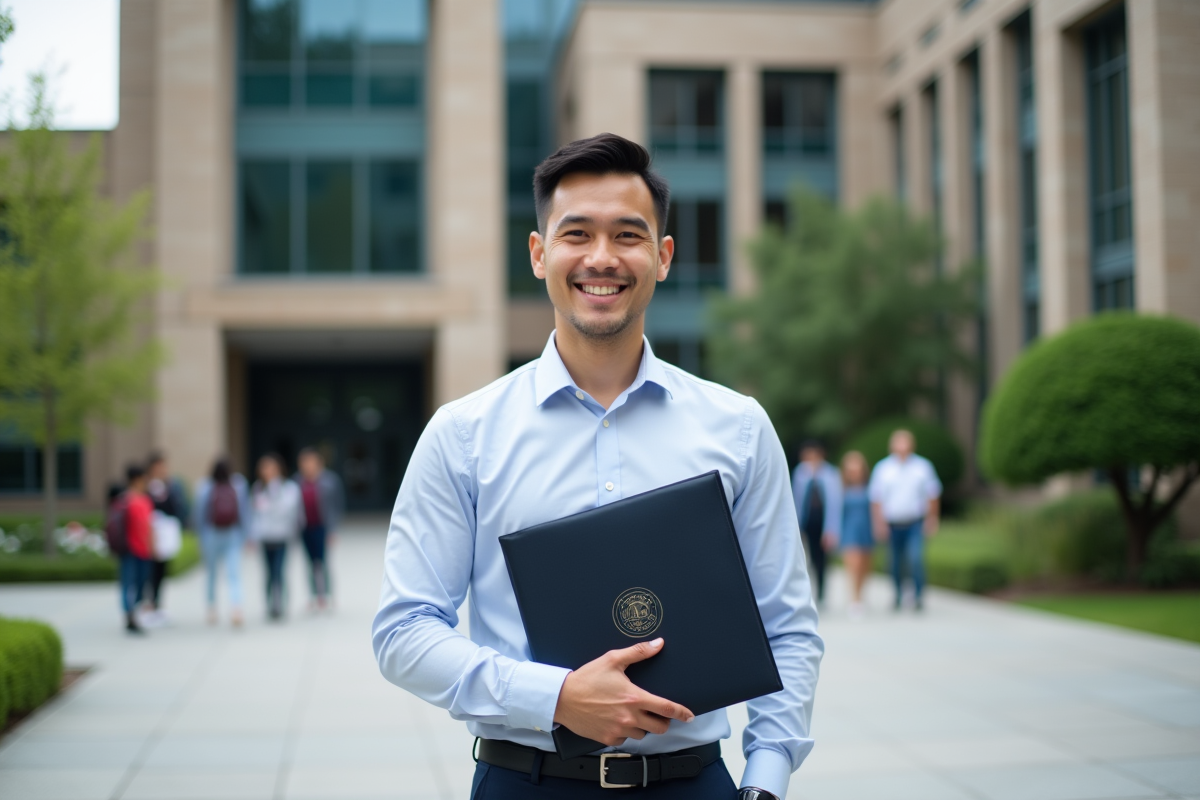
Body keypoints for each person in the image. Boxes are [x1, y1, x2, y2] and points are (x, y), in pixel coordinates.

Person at [372, 133, 822, 800]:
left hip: (694, 783)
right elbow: (404, 632)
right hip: (524, 780)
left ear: (664, 257)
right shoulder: (464, 435)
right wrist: (555, 696)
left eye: (628, 236)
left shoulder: (738, 428)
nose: (602, 258)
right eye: (576, 234)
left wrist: (766, 780)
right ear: (538, 253)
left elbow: (785, 625)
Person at [868, 429, 942, 611]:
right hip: (892, 523)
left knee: (915, 559)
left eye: (905, 443)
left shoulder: (922, 467)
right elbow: (876, 499)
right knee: (893, 562)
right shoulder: (883, 468)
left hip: (914, 522)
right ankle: (898, 595)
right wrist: (878, 523)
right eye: (898, 443)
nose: (902, 447)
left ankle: (917, 595)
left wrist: (932, 518)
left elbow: (933, 494)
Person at [194, 458, 250, 627]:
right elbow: (244, 512)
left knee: (211, 574)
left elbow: (199, 514)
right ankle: (236, 607)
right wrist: (246, 535)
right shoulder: (238, 484)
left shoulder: (204, 487)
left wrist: (200, 537)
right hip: (232, 533)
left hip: (211, 534)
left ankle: (211, 608)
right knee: (233, 574)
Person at [250, 453, 303, 621]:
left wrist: (273, 496)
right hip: (265, 537)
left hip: (282, 537)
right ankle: (269, 604)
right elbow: (255, 513)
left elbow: (288, 511)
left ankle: (280, 604)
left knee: (279, 572)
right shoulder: (258, 488)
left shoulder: (288, 488)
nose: (268, 472)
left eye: (272, 468)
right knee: (268, 573)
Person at [790, 439, 842, 606]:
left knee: (822, 558)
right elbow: (796, 500)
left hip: (823, 521)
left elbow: (835, 502)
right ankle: (807, 591)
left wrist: (832, 529)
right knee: (807, 557)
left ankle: (821, 593)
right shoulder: (800, 473)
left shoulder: (830, 473)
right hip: (807, 521)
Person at [143, 451, 189, 626]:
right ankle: (147, 605)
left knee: (161, 571)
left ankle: (158, 605)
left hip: (164, 536)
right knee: (149, 572)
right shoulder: (147, 487)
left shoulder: (171, 486)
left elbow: (177, 508)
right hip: (150, 534)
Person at [295, 447, 344, 611]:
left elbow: (337, 505)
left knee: (323, 562)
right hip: (305, 528)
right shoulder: (297, 482)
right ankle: (314, 596)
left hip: (322, 527)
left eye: (311, 462)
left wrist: (333, 529)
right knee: (310, 563)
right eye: (304, 462)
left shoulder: (330, 480)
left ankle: (327, 595)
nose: (308, 466)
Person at [114, 464, 154, 634]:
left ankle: (129, 614)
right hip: (139, 549)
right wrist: (152, 547)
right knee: (138, 584)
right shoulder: (141, 501)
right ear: (137, 479)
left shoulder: (121, 501)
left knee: (126, 583)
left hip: (126, 549)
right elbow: (147, 527)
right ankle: (133, 614)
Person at [838, 451, 874, 616]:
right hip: (849, 531)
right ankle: (855, 599)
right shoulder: (841, 489)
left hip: (866, 530)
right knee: (854, 565)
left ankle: (861, 595)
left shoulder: (870, 488)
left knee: (865, 567)